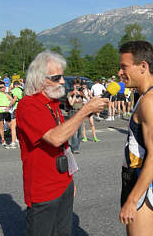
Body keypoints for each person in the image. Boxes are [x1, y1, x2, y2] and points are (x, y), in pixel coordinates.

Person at [16, 51, 108, 236]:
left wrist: (70, 179)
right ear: (40, 80)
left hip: (63, 184)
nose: (62, 81)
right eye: (56, 77)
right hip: (43, 191)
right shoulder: (28, 105)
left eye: (62, 76)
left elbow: (64, 146)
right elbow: (55, 138)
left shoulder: (54, 104)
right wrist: (85, 111)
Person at [118, 41, 153, 236]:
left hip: (143, 182)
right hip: (135, 177)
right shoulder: (143, 97)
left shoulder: (151, 100)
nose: (119, 73)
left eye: (124, 66)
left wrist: (132, 200)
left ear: (143, 66)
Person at [67, 78, 85, 153]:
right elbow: (71, 103)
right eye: (75, 86)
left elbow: (87, 98)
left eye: (78, 86)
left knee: (80, 133)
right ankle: (75, 148)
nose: (77, 87)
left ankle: (76, 145)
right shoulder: (69, 93)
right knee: (74, 132)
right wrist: (74, 95)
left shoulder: (81, 93)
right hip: (73, 112)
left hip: (80, 113)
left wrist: (82, 93)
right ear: (73, 86)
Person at [0, 81, 12, 146]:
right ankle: (3, 140)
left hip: (6, 110)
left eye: (4, 87)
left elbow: (11, 99)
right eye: (2, 87)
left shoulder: (6, 93)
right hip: (0, 110)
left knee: (10, 125)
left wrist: (7, 93)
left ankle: (13, 138)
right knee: (1, 125)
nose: (3, 88)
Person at [6, 81, 23, 149]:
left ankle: (13, 142)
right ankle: (18, 140)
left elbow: (15, 99)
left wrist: (9, 106)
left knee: (13, 126)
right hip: (22, 107)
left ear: (15, 85)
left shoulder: (15, 90)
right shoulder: (22, 89)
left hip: (16, 108)